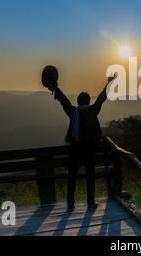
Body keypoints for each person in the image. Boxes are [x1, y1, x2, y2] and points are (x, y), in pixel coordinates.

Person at [49, 74, 116, 211]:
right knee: (90, 174)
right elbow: (102, 98)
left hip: (75, 147)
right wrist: (110, 83)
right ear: (88, 101)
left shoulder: (73, 112)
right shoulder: (93, 110)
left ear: (78, 102)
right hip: (90, 147)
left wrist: (55, 88)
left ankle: (70, 204)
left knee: (72, 175)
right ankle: (90, 202)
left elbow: (64, 101)